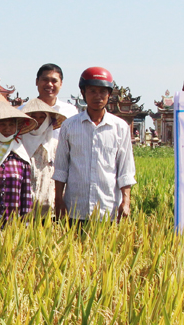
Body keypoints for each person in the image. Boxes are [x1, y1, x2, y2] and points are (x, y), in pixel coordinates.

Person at [53, 66, 136, 222]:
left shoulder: (120, 127)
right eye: (92, 91)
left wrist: (126, 201)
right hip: (75, 208)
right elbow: (61, 167)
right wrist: (58, 200)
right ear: (83, 93)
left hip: (108, 209)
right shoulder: (69, 126)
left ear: (109, 94)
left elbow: (125, 169)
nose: (98, 96)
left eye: (102, 92)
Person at [19, 99, 67, 215]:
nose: (38, 121)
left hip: (49, 207)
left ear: (48, 120)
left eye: (42, 117)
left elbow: (62, 173)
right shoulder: (18, 144)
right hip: (22, 207)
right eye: (33, 117)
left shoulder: (56, 145)